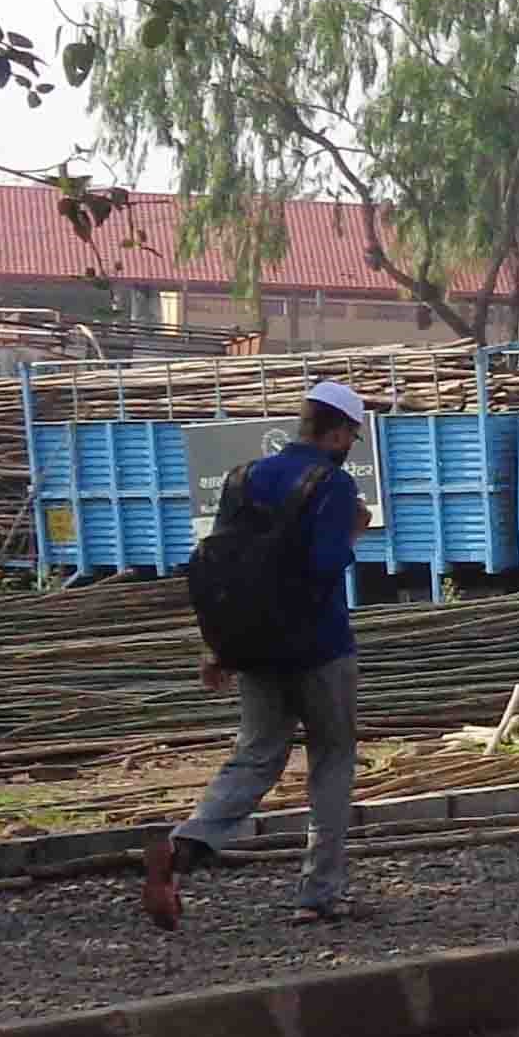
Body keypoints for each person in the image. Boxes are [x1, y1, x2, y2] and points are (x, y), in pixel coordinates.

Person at [142, 380, 373, 931]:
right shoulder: (333, 486)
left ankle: (184, 846)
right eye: (351, 436)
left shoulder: (243, 478)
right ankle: (318, 894)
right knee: (332, 761)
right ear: (337, 432)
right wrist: (353, 532)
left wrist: (220, 648)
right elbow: (323, 566)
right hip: (320, 649)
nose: (350, 445)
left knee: (256, 755)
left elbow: (223, 572)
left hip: (254, 648)